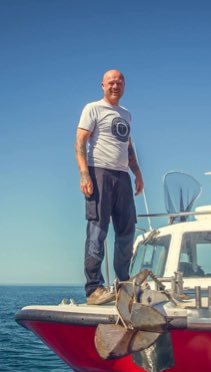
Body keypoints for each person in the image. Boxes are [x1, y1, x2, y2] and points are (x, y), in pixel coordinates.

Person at [75, 69, 144, 305]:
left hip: (122, 176)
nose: (116, 86)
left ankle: (124, 283)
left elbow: (128, 146)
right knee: (98, 230)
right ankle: (94, 288)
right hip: (99, 172)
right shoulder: (92, 108)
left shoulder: (126, 114)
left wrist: (137, 173)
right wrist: (84, 174)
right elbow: (80, 141)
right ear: (103, 85)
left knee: (127, 230)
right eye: (111, 82)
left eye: (120, 82)